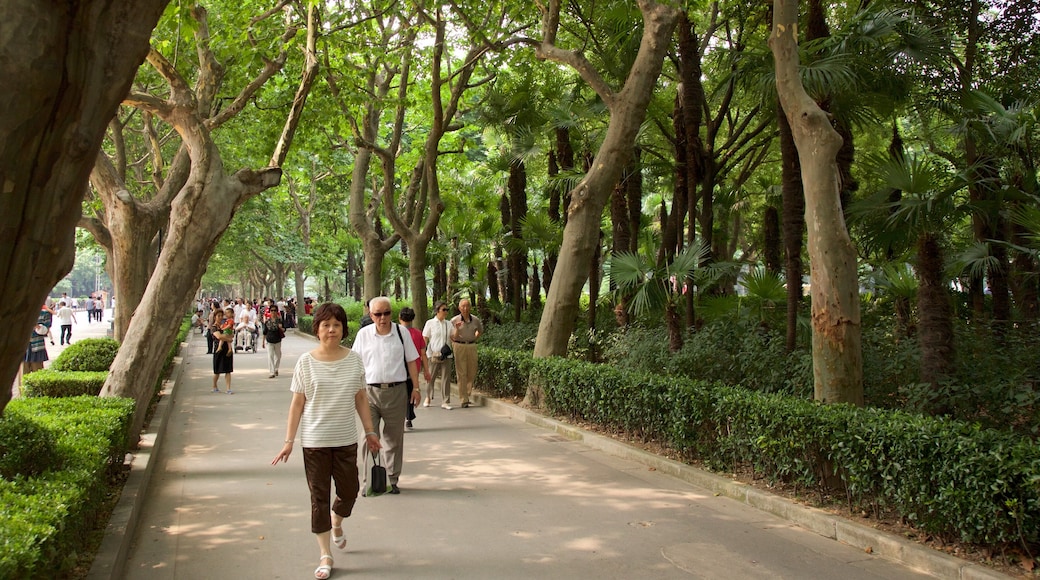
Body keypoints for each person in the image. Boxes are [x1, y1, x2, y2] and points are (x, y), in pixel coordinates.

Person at [271, 302, 381, 580]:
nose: (331, 330)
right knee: (319, 498)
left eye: (336, 325)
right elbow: (297, 404)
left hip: (345, 440)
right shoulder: (306, 362)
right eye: (326, 325)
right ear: (317, 329)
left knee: (350, 490)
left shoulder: (354, 359)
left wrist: (370, 431)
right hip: (315, 442)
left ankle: (337, 522)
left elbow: (360, 397)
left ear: (343, 329)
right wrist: (289, 441)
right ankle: (325, 554)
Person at [350, 296, 420, 494]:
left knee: (394, 438)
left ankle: (392, 479)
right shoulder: (364, 335)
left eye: (386, 313)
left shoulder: (401, 332)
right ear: (371, 315)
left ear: (391, 313)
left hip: (397, 391)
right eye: (378, 314)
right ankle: (369, 481)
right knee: (368, 437)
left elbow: (411, 361)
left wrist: (416, 388)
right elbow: (355, 364)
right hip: (368, 393)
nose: (382, 318)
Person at [398, 307, 430, 430]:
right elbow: (423, 354)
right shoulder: (418, 334)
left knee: (400, 395)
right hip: (414, 369)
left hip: (399, 369)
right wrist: (427, 370)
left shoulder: (396, 332)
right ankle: (409, 417)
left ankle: (401, 418)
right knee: (412, 392)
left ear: (400, 318)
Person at [450, 298, 483, 408]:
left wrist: (475, 337)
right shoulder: (454, 320)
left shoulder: (475, 320)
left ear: (470, 307)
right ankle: (464, 399)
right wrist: (458, 329)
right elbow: (452, 336)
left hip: (471, 345)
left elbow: (480, 330)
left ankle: (467, 392)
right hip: (459, 346)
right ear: (459, 308)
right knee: (461, 372)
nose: (465, 308)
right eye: (463, 306)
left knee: (472, 371)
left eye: (467, 306)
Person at [422, 300, 455, 409]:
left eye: (447, 310)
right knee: (430, 377)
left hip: (446, 354)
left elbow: (453, 337)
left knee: (446, 378)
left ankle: (445, 401)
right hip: (433, 354)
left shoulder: (449, 323)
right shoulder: (430, 323)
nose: (445, 312)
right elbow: (425, 338)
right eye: (443, 309)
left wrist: (458, 329)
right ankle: (428, 397)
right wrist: (424, 353)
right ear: (437, 311)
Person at [22, 303, 54, 378]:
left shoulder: (45, 314)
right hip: (22, 348)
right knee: (23, 375)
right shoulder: (20, 314)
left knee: (37, 374)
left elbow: (46, 330)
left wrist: (36, 326)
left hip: (37, 346)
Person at [212, 307, 235, 394]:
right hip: (218, 350)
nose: (220, 317)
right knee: (217, 371)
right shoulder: (213, 327)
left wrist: (229, 338)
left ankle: (228, 388)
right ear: (215, 317)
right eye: (218, 316)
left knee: (228, 370)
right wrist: (228, 338)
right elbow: (219, 337)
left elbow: (232, 334)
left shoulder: (225, 325)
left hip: (227, 349)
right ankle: (214, 385)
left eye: (222, 315)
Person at [264, 305, 286, 378]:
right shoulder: (267, 321)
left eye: (275, 310)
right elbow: (265, 332)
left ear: (277, 312)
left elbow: (284, 329)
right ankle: (271, 372)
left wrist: (281, 328)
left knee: (278, 356)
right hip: (269, 340)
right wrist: (263, 342)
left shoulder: (280, 320)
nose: (273, 312)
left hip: (277, 340)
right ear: (270, 312)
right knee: (270, 356)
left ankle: (276, 368)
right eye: (272, 310)